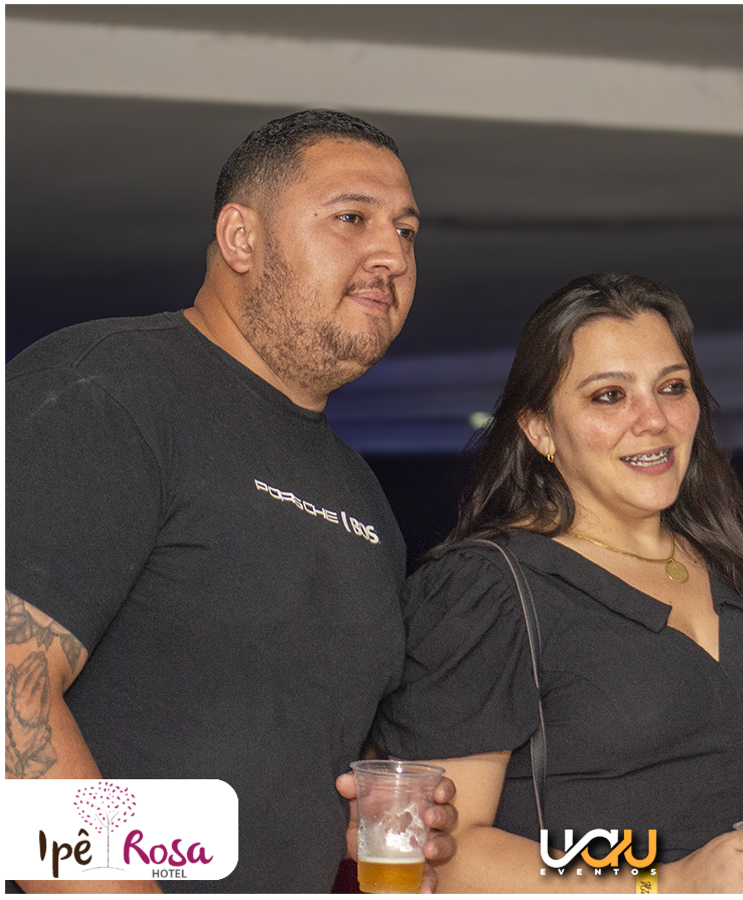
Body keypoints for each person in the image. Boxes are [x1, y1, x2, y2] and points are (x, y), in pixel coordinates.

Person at [6, 110, 455, 893]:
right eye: (352, 218)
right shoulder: (106, 390)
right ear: (241, 238)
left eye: (406, 231)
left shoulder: (359, 496)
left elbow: (267, 740)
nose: (392, 253)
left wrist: (366, 809)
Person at [365, 273, 743, 892]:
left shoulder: (738, 568)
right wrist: (664, 881)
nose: (654, 419)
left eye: (672, 387)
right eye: (609, 396)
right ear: (539, 429)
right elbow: (448, 855)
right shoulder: (488, 590)